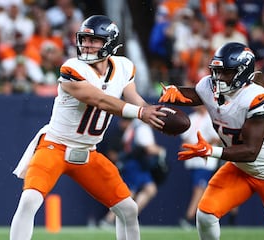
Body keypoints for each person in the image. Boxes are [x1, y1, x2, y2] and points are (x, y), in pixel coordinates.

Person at [9, 15, 165, 240]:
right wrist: (141, 113)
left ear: (109, 43)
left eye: (94, 40)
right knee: (29, 200)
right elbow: (100, 100)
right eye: (84, 39)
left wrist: (153, 114)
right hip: (55, 147)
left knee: (128, 209)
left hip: (88, 153)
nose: (87, 45)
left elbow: (134, 98)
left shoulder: (123, 66)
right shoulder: (72, 68)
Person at [159, 42, 264, 240]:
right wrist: (174, 92)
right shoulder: (209, 86)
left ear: (242, 72)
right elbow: (195, 94)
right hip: (240, 168)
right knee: (205, 214)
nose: (218, 78)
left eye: (225, 72)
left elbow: (251, 151)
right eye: (216, 71)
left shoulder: (256, 97)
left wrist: (212, 151)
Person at [99, 118, 166, 228]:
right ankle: (109, 220)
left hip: (137, 164)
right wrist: (161, 151)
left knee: (150, 189)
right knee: (128, 194)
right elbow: (149, 148)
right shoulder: (142, 127)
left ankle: (128, 218)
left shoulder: (134, 126)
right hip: (136, 164)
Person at [178, 105, 221, 229]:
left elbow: (215, 139)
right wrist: (189, 147)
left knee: (199, 188)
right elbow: (185, 138)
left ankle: (189, 217)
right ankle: (200, 219)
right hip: (192, 161)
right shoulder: (191, 118)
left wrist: (200, 148)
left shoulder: (211, 118)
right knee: (199, 189)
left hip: (205, 161)